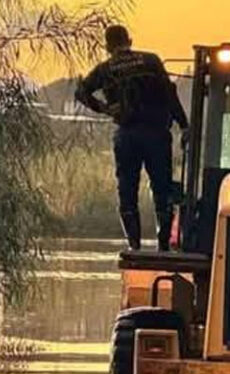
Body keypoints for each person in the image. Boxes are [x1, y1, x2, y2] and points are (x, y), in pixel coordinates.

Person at [75, 25, 189, 251]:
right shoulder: (151, 61)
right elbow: (170, 93)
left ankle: (134, 245)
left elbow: (81, 92)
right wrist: (184, 124)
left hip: (126, 135)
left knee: (127, 190)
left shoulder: (105, 69)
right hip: (156, 133)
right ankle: (163, 245)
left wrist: (106, 109)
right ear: (130, 40)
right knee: (162, 189)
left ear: (108, 46)